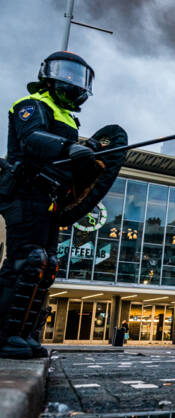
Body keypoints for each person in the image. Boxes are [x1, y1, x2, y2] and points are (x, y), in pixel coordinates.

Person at [0, 51, 99, 359]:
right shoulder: (31, 105)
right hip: (25, 193)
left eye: (79, 76)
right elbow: (32, 140)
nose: (73, 81)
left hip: (51, 199)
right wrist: (70, 147)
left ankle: (24, 334)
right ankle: (4, 335)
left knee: (45, 266)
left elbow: (67, 162)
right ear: (48, 75)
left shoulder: (68, 117)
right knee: (24, 262)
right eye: (66, 73)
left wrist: (88, 152)